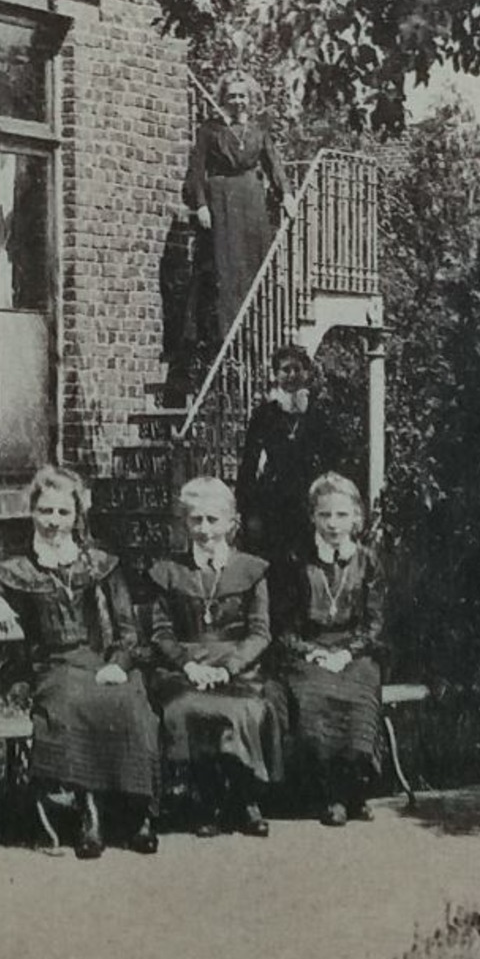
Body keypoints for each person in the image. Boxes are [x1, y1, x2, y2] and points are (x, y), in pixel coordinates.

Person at [0, 466, 161, 859]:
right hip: (53, 667)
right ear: (31, 512)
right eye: (45, 511)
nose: (53, 522)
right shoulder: (18, 570)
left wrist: (118, 663)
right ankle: (89, 813)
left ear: (77, 516)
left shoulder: (100, 565)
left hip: (100, 661)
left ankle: (139, 814)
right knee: (73, 703)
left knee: (130, 700)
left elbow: (127, 627)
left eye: (63, 513)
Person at [147, 477, 282, 837]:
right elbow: (160, 632)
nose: (205, 530)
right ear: (184, 523)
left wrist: (228, 668)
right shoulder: (168, 572)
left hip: (237, 667)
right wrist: (187, 665)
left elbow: (260, 633)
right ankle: (205, 799)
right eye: (196, 520)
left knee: (246, 709)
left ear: (231, 524)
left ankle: (245, 797)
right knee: (185, 708)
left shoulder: (252, 570)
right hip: (184, 668)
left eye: (213, 520)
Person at [279, 473, 384, 826]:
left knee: (359, 693)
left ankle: (356, 789)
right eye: (325, 516)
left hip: (353, 652)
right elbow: (284, 627)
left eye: (341, 515)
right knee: (317, 696)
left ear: (356, 517)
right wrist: (312, 653)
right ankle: (332, 795)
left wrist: (347, 653)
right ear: (313, 517)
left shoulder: (368, 561)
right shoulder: (297, 560)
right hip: (308, 652)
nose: (333, 524)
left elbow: (374, 624)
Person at [183, 71, 295, 345]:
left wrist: (287, 195)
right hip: (221, 204)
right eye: (232, 96)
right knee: (225, 269)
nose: (237, 101)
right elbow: (196, 170)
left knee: (254, 266)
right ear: (223, 98)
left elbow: (274, 165)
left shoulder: (259, 131)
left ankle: (257, 335)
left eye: (242, 96)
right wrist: (200, 205)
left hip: (251, 203)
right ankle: (226, 337)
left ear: (251, 99)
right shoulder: (210, 131)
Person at [236, 345, 346, 615]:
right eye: (286, 370)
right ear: (276, 375)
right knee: (274, 566)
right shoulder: (264, 415)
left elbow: (335, 456)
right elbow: (249, 464)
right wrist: (247, 509)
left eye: (298, 369)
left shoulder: (318, 415)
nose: (292, 375)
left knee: (307, 564)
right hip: (273, 500)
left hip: (307, 499)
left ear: (307, 374)